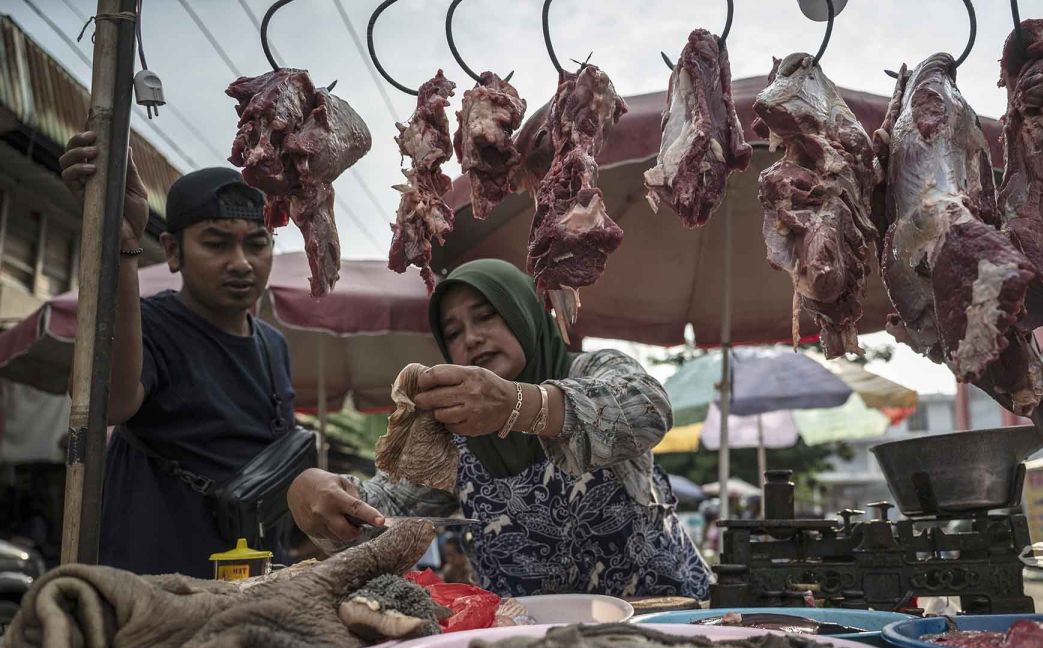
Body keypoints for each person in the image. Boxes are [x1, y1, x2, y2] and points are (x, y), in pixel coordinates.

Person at [287, 259, 712, 599]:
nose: (472, 339)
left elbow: (648, 408)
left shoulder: (592, 370)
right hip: (533, 643)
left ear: (524, 312)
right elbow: (384, 515)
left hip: (657, 616)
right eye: (454, 333)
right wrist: (321, 496)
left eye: (487, 316)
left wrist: (519, 406)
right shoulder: (454, 430)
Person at [59, 131, 294, 577]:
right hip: (155, 592)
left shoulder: (273, 344)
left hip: (253, 588)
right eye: (216, 243)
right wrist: (122, 245)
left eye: (257, 243)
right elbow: (107, 404)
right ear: (172, 251)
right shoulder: (149, 325)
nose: (241, 262)